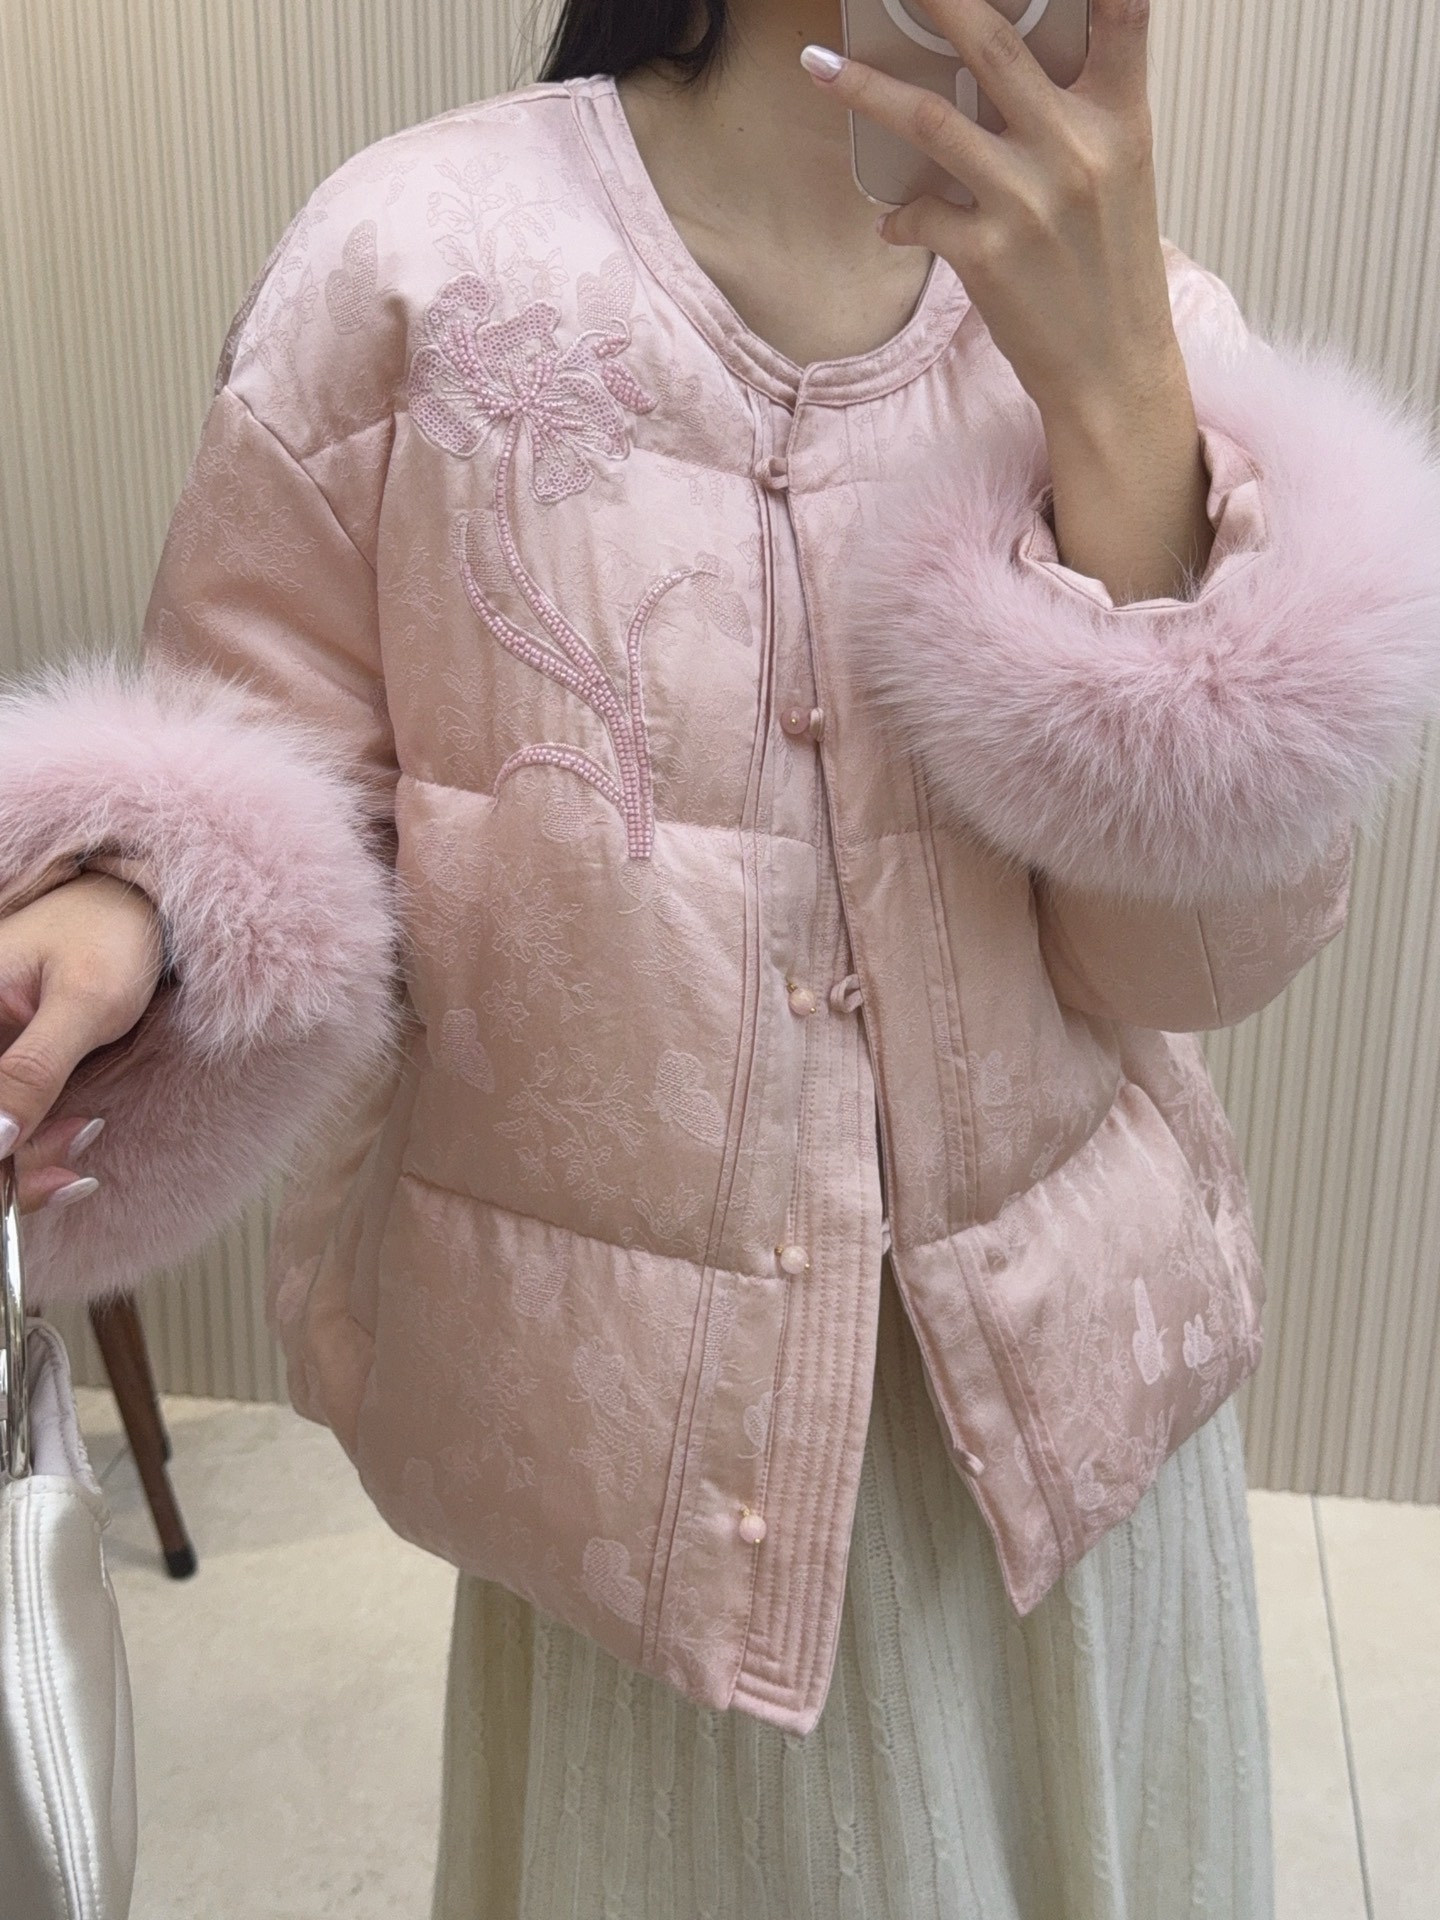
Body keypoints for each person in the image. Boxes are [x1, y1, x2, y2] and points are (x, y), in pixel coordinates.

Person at [1, 0, 1437, 1913]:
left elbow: (1192, 965)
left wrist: (1118, 404)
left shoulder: (1137, 315)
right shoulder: (412, 266)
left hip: (1067, 1444)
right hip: (645, 1486)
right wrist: (137, 902)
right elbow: (274, 769)